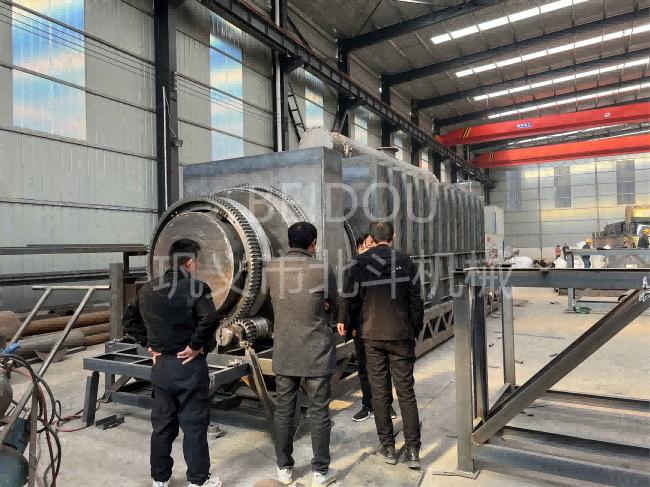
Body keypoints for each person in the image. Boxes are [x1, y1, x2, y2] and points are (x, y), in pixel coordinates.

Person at [122, 238, 222, 487]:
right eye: (197, 261)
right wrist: (195, 345)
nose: (197, 265)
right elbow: (211, 318)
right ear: (190, 262)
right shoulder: (197, 288)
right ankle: (198, 481)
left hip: (162, 367)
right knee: (194, 426)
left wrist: (148, 344)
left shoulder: (148, 289)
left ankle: (160, 479)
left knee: (162, 426)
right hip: (189, 366)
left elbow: (128, 319)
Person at [344, 221, 424, 469]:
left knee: (379, 392)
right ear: (393, 237)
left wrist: (351, 326)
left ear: (370, 238)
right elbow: (416, 300)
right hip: (401, 334)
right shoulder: (407, 262)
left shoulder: (359, 263)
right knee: (406, 392)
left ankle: (387, 447)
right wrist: (415, 329)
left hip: (372, 336)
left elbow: (352, 300)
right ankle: (413, 451)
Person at [267, 222, 339, 487]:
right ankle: (320, 472)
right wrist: (324, 306)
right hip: (317, 351)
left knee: (284, 411)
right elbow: (334, 305)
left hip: (285, 349)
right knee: (319, 412)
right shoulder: (322, 268)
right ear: (313, 243)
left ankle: (284, 469)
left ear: (288, 243)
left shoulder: (273, 268)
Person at [337, 234, 397, 423]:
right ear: (357, 250)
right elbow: (346, 294)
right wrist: (342, 319)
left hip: (380, 324)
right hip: (361, 325)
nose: (365, 251)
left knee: (382, 366)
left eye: (368, 247)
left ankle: (386, 404)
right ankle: (368, 405)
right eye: (362, 248)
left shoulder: (382, 267)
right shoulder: (352, 268)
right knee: (364, 367)